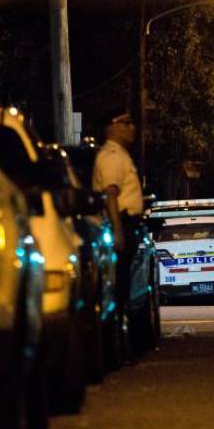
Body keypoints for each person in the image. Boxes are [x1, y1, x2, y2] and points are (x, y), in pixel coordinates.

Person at [92, 108, 143, 334]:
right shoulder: (111, 156)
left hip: (126, 222)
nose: (132, 128)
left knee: (124, 283)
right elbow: (110, 195)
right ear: (112, 127)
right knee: (119, 284)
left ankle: (122, 332)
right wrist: (118, 231)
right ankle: (117, 333)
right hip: (121, 221)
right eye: (126, 122)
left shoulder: (120, 154)